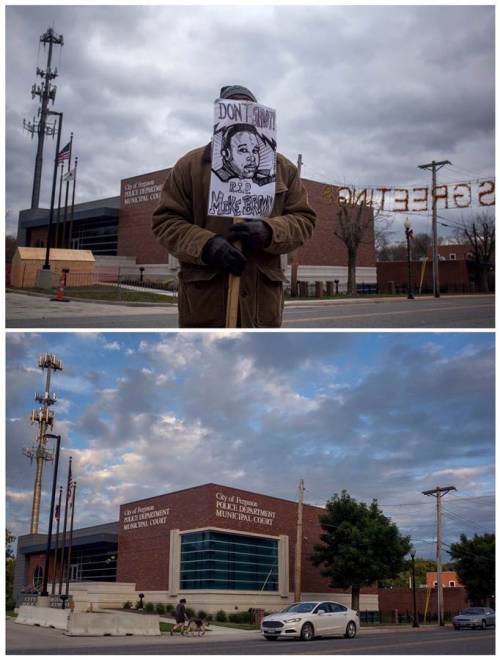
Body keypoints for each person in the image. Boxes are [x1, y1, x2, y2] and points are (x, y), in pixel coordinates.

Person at [152, 84, 316, 328]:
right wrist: (206, 245)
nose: (251, 156)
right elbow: (165, 222)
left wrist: (270, 231)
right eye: (234, 109)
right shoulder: (189, 166)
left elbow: (304, 219)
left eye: (249, 109)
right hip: (205, 306)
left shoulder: (284, 169)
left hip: (261, 309)